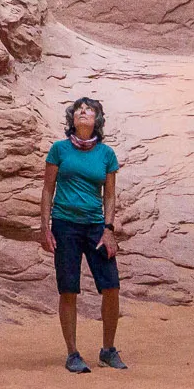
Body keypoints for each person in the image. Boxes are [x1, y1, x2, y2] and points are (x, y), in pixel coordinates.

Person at [44, 96, 126, 374]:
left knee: (111, 285)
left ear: (97, 121)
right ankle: (72, 353)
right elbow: (47, 189)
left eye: (89, 110)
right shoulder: (59, 150)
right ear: (72, 118)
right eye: (79, 109)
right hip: (65, 224)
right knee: (68, 288)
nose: (82, 112)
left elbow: (110, 195)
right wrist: (45, 226)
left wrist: (109, 228)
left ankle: (108, 350)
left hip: (95, 227)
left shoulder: (106, 155)